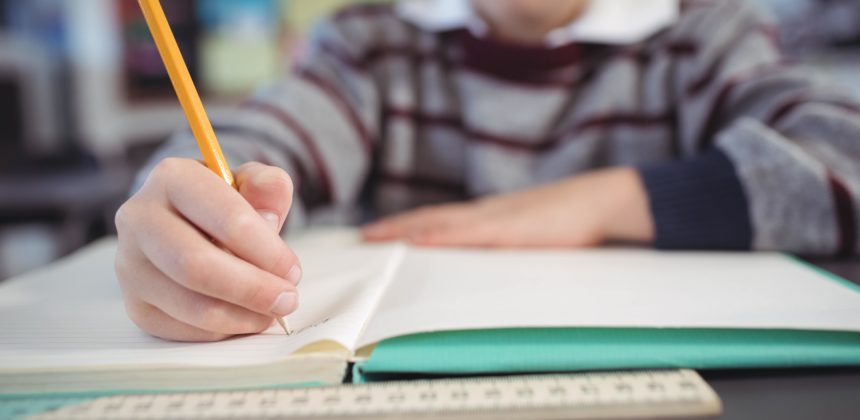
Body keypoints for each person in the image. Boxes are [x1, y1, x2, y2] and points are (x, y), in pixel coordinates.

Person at [114, 0, 860, 342]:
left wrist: (606, 200)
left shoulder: (705, 35)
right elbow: (264, 139)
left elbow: (843, 150)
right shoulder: (372, 44)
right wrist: (193, 213)